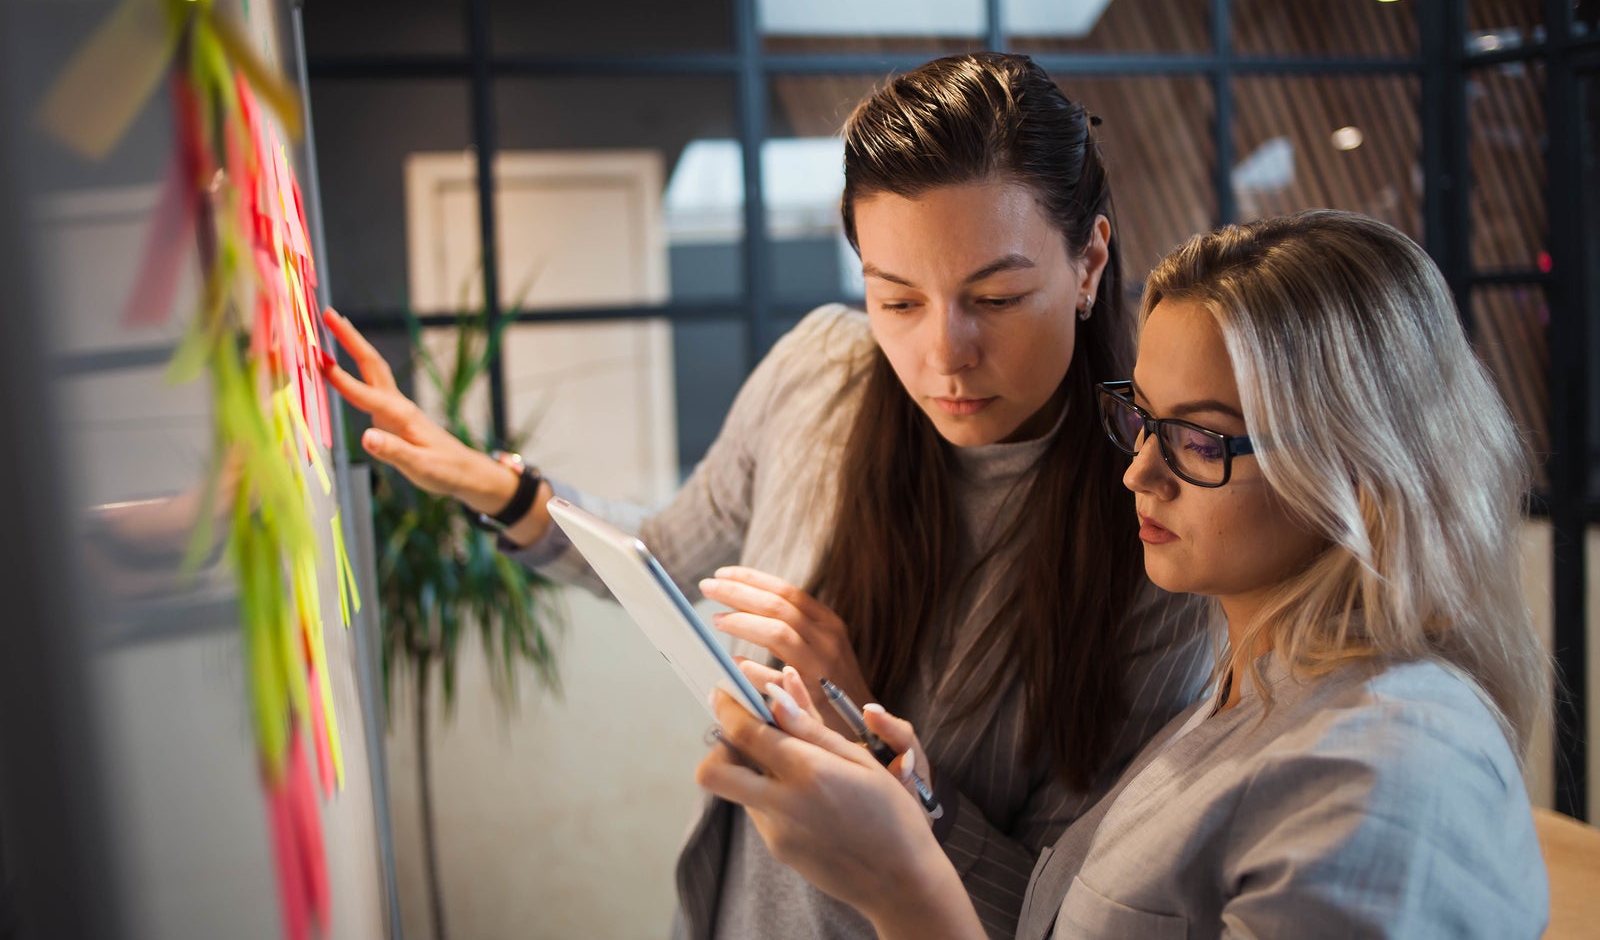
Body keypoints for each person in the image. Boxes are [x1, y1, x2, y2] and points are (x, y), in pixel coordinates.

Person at [320, 52, 1213, 939]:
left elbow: (1067, 919)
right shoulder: (819, 372)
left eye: (998, 295)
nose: (946, 354)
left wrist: (874, 753)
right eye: (897, 301)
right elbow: (671, 556)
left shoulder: (1159, 540)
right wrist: (501, 488)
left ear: (1090, 258)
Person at [697, 209, 1552, 940]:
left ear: (1359, 474)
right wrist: (924, 807)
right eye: (1143, 418)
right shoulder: (1259, 687)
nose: (1139, 473)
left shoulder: (1388, 775)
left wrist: (901, 888)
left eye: (1202, 438)